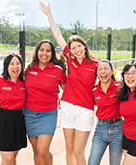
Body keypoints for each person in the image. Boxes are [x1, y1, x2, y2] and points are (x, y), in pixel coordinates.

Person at [39, 3, 100, 164]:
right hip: (66, 107)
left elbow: (114, 82)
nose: (77, 50)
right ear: (70, 51)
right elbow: (57, 35)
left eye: (79, 46)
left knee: (79, 153)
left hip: (85, 110)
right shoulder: (70, 60)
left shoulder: (96, 64)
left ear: (84, 46)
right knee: (69, 150)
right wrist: (49, 14)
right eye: (73, 48)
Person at [24, 39, 67, 165]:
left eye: (48, 51)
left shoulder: (58, 70)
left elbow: (68, 90)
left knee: (43, 151)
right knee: (36, 151)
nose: (44, 53)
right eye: (42, 50)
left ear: (52, 54)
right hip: (29, 114)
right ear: (37, 52)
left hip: (48, 114)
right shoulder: (29, 69)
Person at [88, 60, 123, 165]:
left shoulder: (119, 86)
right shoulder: (94, 90)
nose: (103, 71)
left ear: (112, 71)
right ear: (97, 73)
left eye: (106, 68)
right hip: (100, 129)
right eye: (100, 69)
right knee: (92, 163)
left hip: (118, 129)